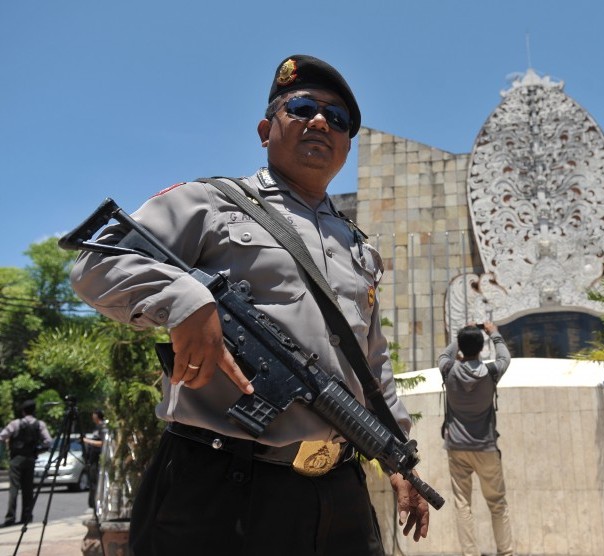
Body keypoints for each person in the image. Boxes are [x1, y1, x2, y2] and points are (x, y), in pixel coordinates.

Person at [69, 54, 429, 555]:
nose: (321, 121)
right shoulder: (211, 203)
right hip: (222, 484)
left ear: (348, 144)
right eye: (302, 108)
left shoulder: (358, 248)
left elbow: (372, 365)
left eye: (339, 118)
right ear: (266, 129)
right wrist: (183, 299)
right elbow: (94, 266)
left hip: (339, 489)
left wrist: (400, 460)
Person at [439, 321, 513, 556]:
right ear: (482, 348)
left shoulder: (448, 369)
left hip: (457, 447)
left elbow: (444, 354)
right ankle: (506, 552)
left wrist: (460, 336)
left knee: (463, 503)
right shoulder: (491, 372)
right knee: (497, 504)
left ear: (461, 347)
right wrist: (493, 333)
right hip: (486, 447)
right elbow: (505, 356)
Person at [0, 399, 52, 526]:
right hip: (30, 458)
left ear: (23, 411)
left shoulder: (15, 423)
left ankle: (10, 517)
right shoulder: (39, 424)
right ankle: (27, 516)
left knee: (14, 489)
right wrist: (37, 450)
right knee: (28, 489)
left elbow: (2, 436)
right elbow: (48, 441)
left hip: (17, 458)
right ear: (34, 411)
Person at [82, 408, 106, 509]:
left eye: (94, 414)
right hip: (93, 459)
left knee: (95, 482)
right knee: (92, 482)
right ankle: (93, 503)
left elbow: (103, 443)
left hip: (98, 459)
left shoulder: (102, 427)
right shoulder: (96, 427)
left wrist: (87, 441)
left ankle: (96, 503)